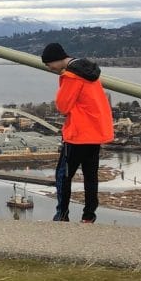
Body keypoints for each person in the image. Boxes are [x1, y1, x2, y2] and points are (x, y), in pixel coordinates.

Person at [41, 42, 114, 223]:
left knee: (63, 175)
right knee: (91, 176)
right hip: (95, 133)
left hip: (78, 134)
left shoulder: (72, 76)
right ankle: (89, 216)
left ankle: (62, 214)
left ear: (56, 60)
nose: (50, 68)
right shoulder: (90, 74)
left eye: (49, 64)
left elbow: (63, 105)